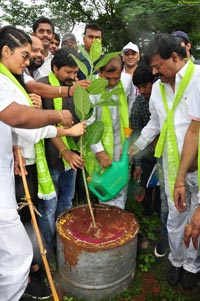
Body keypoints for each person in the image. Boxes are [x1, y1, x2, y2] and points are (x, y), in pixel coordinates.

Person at [0, 25, 73, 301]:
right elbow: (17, 117)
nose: (28, 61)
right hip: (7, 177)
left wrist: (15, 146)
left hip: (11, 164)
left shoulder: (13, 76)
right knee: (17, 251)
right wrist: (57, 118)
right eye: (24, 55)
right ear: (5, 51)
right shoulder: (2, 79)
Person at [129, 33, 200, 290]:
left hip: (197, 166)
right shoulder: (158, 89)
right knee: (176, 217)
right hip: (171, 166)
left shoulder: (198, 78)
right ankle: (177, 260)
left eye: (159, 66)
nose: (155, 72)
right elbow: (155, 124)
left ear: (175, 56)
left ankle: (193, 265)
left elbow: (195, 129)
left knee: (196, 218)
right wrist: (134, 146)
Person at [37, 48, 85, 248]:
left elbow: (80, 118)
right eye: (68, 72)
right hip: (51, 158)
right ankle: (50, 248)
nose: (72, 77)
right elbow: (43, 126)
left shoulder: (76, 88)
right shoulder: (42, 87)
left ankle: (64, 243)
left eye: (75, 73)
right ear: (55, 67)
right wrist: (64, 152)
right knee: (49, 206)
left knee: (67, 201)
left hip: (71, 157)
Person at [130, 63, 168, 256]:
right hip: (145, 154)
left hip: (166, 151)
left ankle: (161, 218)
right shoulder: (138, 106)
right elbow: (136, 134)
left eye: (146, 86)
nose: (143, 91)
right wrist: (136, 164)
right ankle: (145, 218)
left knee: (163, 188)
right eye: (139, 88)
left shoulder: (164, 96)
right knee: (143, 185)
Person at [87, 55, 134, 209]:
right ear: (99, 72)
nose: (113, 83)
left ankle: (119, 222)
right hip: (100, 147)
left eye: (116, 78)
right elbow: (88, 123)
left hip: (121, 144)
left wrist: (127, 141)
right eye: (109, 78)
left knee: (121, 185)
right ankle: (106, 221)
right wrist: (99, 151)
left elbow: (130, 106)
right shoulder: (91, 88)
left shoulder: (126, 82)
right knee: (105, 187)